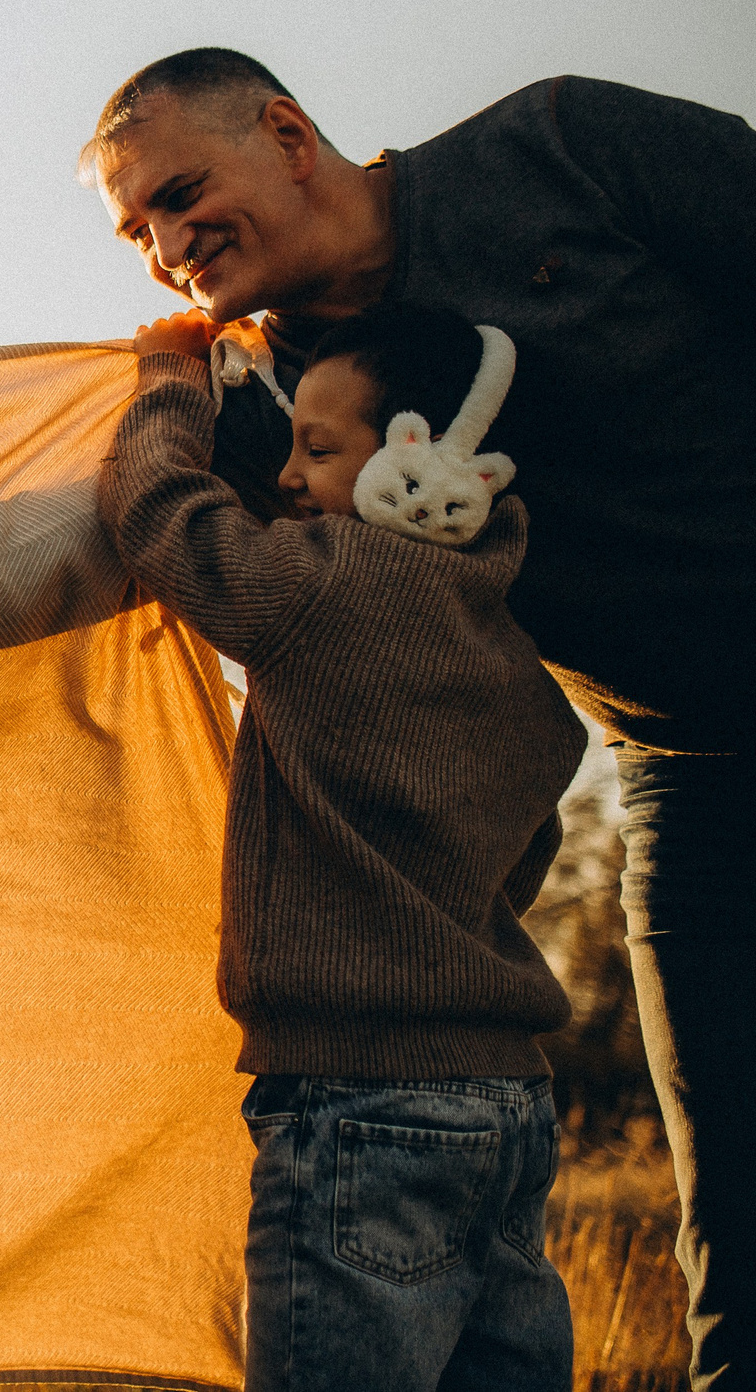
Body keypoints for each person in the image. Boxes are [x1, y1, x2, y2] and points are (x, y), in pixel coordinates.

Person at [86, 49, 754, 1387]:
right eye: (134, 228)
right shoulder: (285, 416)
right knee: (736, 1230)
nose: (164, 244)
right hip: (692, 773)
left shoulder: (563, 146)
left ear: (286, 131)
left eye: (178, 191)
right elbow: (67, 539)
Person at [101, 300, 583, 1391]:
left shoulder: (319, 583)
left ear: (425, 457)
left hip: (356, 1103)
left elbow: (160, 518)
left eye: (317, 450)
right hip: (509, 1105)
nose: (283, 478)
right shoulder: (522, 667)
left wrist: (166, 383)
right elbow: (523, 855)